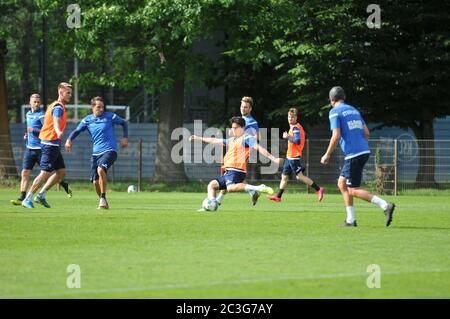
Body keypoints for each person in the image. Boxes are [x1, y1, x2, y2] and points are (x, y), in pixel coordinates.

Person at [320, 86, 395, 227]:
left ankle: (385, 205)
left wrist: (327, 154)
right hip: (363, 151)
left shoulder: (334, 112)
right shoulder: (354, 110)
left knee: (352, 190)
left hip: (353, 154)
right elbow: (366, 133)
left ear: (331, 100)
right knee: (342, 183)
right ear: (344, 97)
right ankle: (350, 220)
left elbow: (336, 135)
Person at [190, 116, 282, 211]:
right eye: (232, 128)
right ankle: (210, 206)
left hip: (236, 170)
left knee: (230, 188)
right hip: (228, 171)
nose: (233, 130)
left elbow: (259, 148)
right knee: (211, 185)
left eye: (235, 128)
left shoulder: (247, 138)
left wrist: (273, 158)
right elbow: (214, 140)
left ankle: (258, 187)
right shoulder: (231, 140)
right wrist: (198, 137)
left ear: (242, 128)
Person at [65, 96, 128, 209]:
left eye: (102, 107)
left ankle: (103, 197)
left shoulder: (110, 116)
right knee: (95, 182)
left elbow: (124, 123)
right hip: (95, 154)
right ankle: (103, 201)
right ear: (92, 107)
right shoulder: (87, 120)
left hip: (110, 150)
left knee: (101, 169)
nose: (101, 109)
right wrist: (69, 140)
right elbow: (77, 131)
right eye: (98, 107)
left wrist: (125, 137)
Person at [11, 94, 72, 206]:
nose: (36, 104)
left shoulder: (42, 115)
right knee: (26, 172)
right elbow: (32, 130)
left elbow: (46, 129)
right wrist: (27, 134)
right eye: (34, 101)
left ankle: (41, 194)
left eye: (38, 102)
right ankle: (23, 197)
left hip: (42, 147)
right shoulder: (28, 114)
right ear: (30, 102)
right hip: (30, 148)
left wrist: (33, 130)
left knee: (50, 172)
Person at [268, 107, 325, 202]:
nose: (290, 119)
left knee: (300, 176)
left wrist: (287, 137)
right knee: (284, 177)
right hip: (289, 157)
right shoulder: (296, 127)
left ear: (296, 118)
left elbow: (297, 141)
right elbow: (302, 137)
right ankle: (278, 196)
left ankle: (319, 189)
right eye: (289, 117)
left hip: (293, 157)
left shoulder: (295, 128)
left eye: (293, 117)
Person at [216, 96, 261, 206]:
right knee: (230, 177)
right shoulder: (241, 120)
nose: (243, 109)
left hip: (240, 153)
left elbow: (257, 137)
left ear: (250, 109)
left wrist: (246, 141)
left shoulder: (251, 122)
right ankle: (252, 191)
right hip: (234, 149)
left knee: (229, 176)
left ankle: (217, 201)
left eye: (245, 107)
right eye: (242, 106)